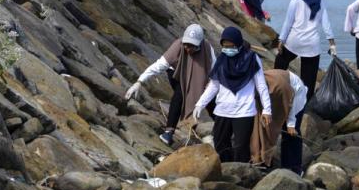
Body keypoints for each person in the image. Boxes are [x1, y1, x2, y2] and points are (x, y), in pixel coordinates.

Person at [126, 24, 214, 146]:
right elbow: (157, 66)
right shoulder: (177, 47)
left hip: (199, 76)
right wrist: (139, 82)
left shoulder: (207, 48)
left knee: (211, 98)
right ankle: (169, 132)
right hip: (177, 73)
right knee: (180, 94)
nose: (188, 48)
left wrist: (210, 86)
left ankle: (222, 130)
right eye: (186, 44)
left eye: (192, 46)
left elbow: (214, 69)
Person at [193, 26, 272, 163]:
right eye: (225, 46)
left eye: (231, 46)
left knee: (241, 147)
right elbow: (214, 85)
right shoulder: (222, 60)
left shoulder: (252, 59)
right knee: (220, 144)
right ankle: (226, 173)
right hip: (223, 110)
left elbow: (261, 86)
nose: (228, 49)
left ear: (239, 44)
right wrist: (200, 104)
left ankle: (242, 175)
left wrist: (267, 109)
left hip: (244, 111)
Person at [275, 0, 336, 98]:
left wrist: (281, 40)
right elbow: (326, 24)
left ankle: (276, 86)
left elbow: (288, 22)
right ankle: (305, 105)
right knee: (309, 79)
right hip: (311, 45)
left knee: (280, 63)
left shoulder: (296, 0)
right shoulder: (320, 2)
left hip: (294, 41)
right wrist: (332, 43)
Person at [250, 69, 308, 170]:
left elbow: (289, 99)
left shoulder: (278, 84)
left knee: (291, 133)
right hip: (273, 96)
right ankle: (263, 159)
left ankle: (294, 167)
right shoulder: (251, 85)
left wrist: (291, 124)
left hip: (294, 94)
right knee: (263, 127)